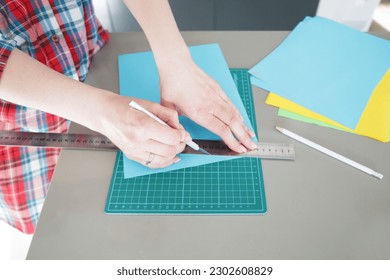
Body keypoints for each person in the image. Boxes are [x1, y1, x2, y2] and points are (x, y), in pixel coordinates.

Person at [0, 0, 256, 234]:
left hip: (93, 55)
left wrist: (175, 60)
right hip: (23, 134)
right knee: (61, 230)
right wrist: (104, 110)